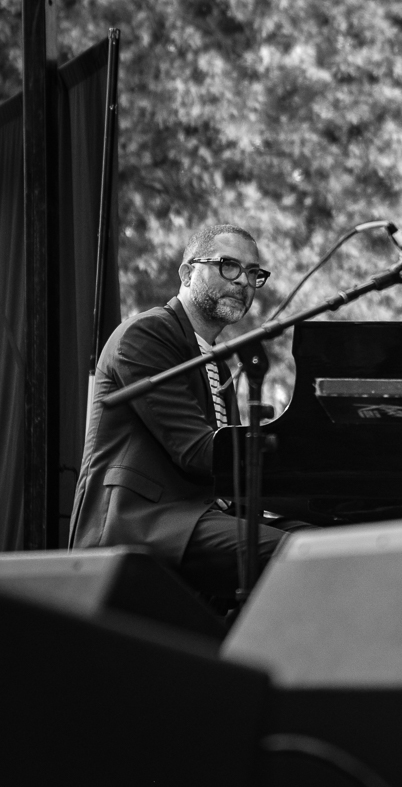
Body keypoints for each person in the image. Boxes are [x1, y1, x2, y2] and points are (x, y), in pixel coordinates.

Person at [70, 224, 302, 600]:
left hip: (203, 513)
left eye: (253, 273)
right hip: (143, 520)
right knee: (293, 554)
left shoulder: (219, 363)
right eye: (228, 265)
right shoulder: (147, 334)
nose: (243, 281)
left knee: (321, 540)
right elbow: (197, 452)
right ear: (187, 272)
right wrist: (286, 447)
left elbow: (228, 471)